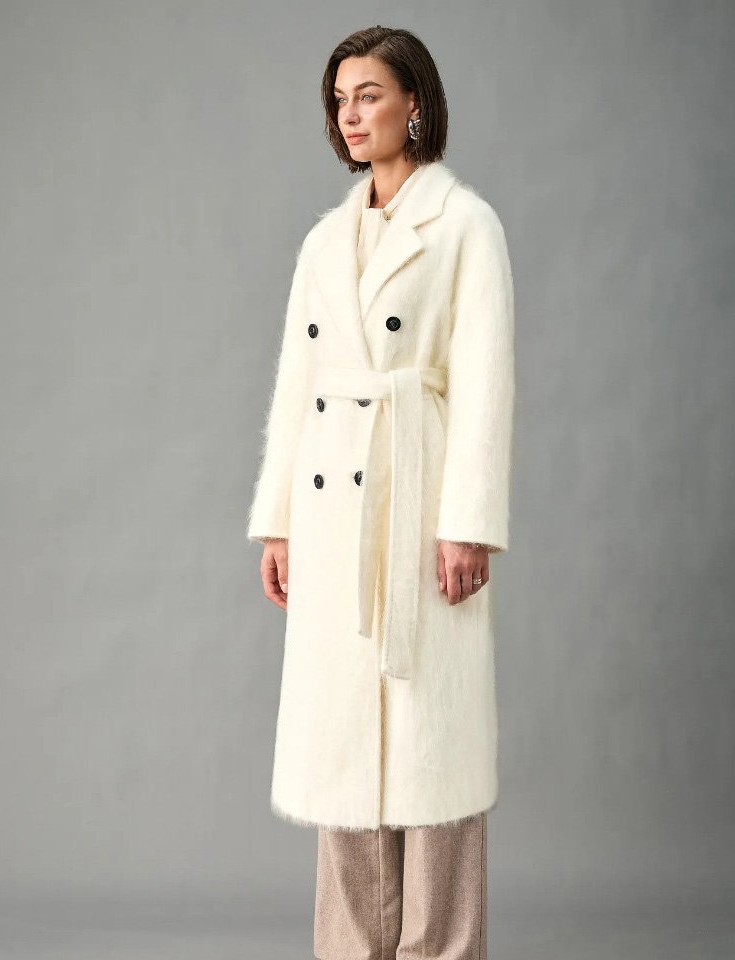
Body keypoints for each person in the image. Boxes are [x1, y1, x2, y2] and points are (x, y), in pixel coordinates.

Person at [246, 24, 515, 960]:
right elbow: (298, 384)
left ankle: (443, 948)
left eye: (368, 95)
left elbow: (484, 383)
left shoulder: (466, 224)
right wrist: (280, 522)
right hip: (331, 516)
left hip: (421, 497)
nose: (350, 116)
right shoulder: (325, 240)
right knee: (341, 747)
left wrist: (468, 523)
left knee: (436, 749)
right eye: (339, 100)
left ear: (415, 103)